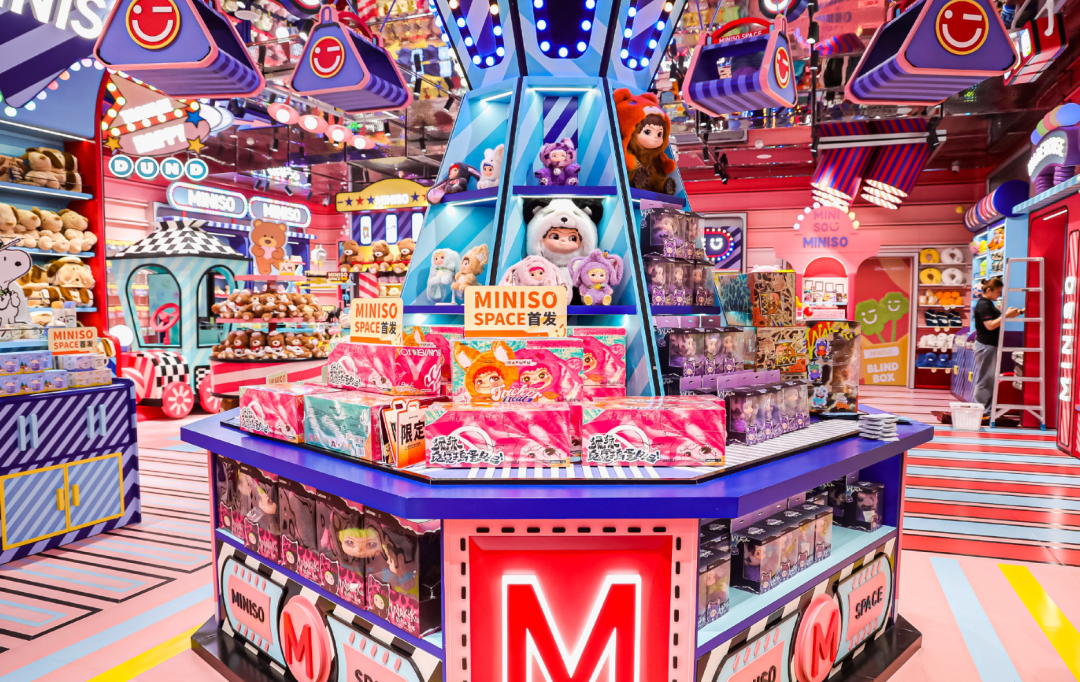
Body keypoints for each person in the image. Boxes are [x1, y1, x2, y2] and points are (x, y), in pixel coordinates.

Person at [972, 278, 1022, 419]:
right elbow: (990, 325)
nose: (999, 295)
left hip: (990, 345)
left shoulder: (988, 304)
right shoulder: (983, 305)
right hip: (986, 345)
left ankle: (986, 410)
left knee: (989, 378)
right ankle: (982, 411)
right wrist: (1005, 315)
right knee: (985, 379)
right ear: (989, 290)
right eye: (998, 292)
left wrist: (1019, 312)